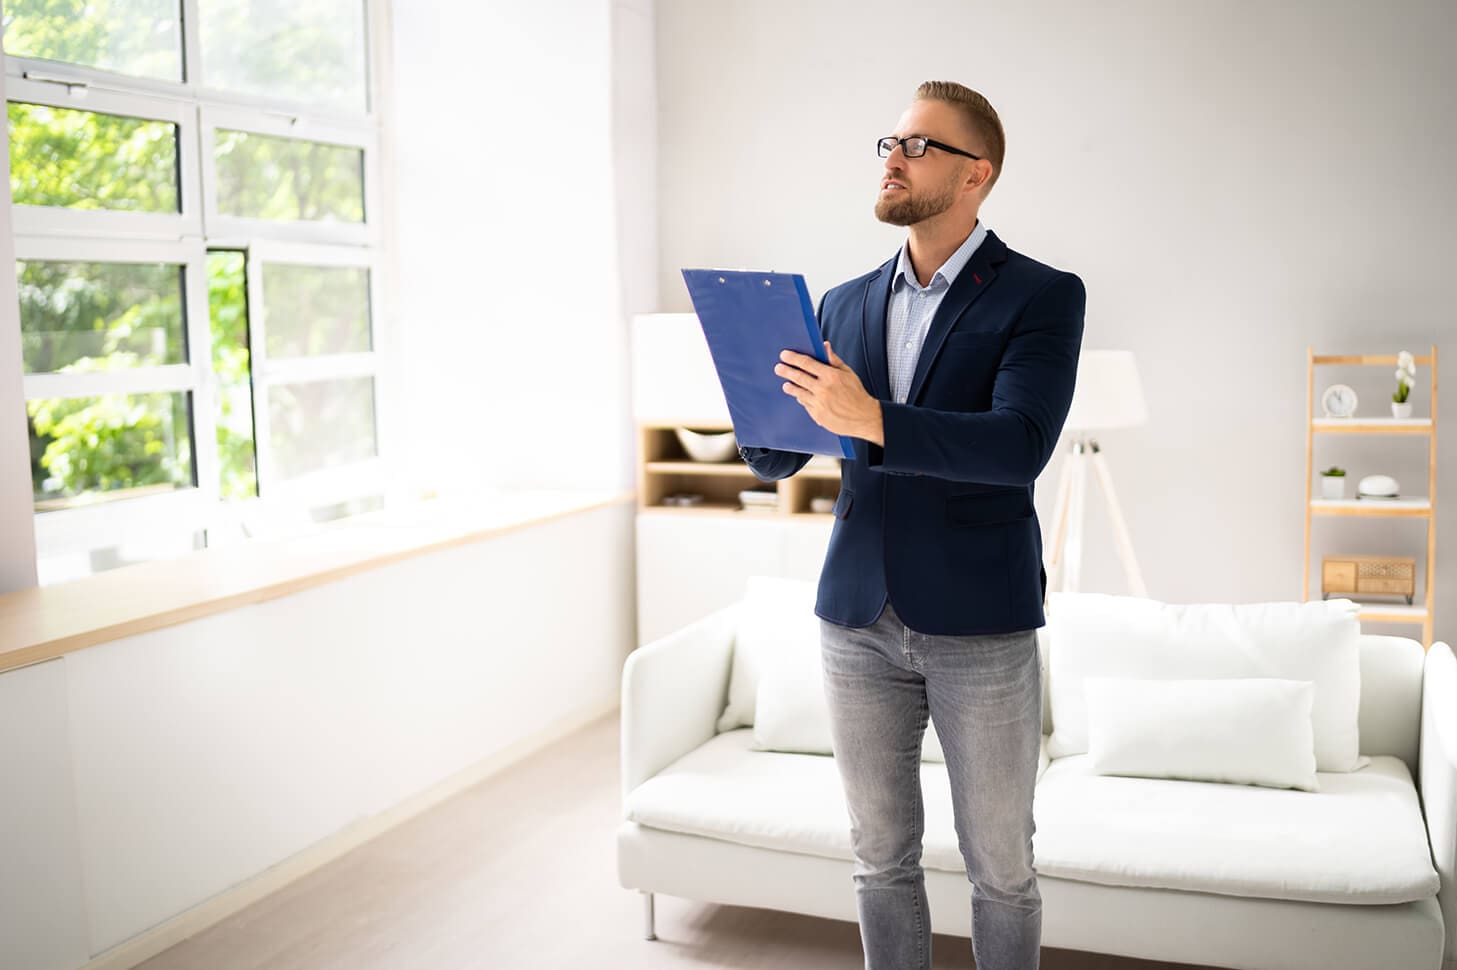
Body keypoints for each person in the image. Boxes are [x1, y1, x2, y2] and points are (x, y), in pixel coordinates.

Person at [738, 80, 1085, 970]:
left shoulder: (1042, 296)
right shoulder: (841, 303)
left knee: (1001, 870)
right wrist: (757, 400)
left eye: (918, 145)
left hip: (982, 623)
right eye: (888, 142)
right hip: (856, 618)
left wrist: (871, 419)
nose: (893, 158)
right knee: (878, 859)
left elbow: (1018, 446)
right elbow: (785, 454)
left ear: (978, 174)